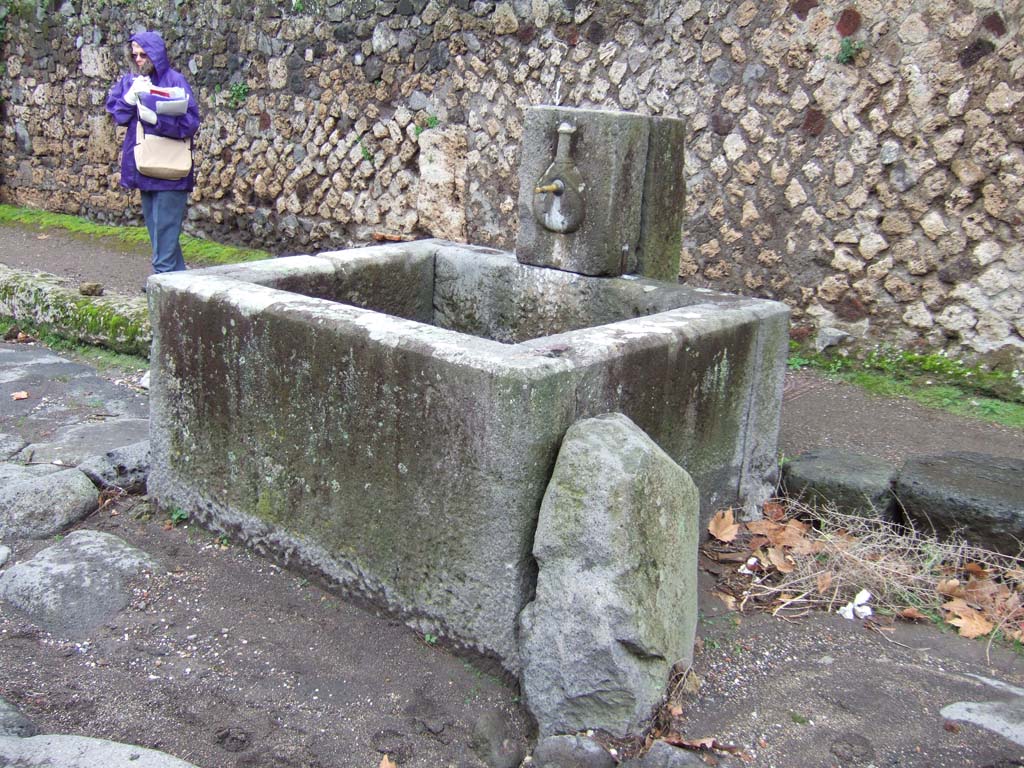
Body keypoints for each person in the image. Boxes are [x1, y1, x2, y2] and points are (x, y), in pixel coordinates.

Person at [105, 31, 200, 286]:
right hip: (144, 165)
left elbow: (190, 122)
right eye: (134, 54)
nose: (138, 59)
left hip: (170, 170)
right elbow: (118, 115)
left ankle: (161, 285)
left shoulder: (174, 80)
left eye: (143, 54)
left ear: (155, 54)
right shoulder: (131, 81)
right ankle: (182, 284)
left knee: (165, 231)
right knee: (158, 234)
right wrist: (128, 99)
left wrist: (158, 121)